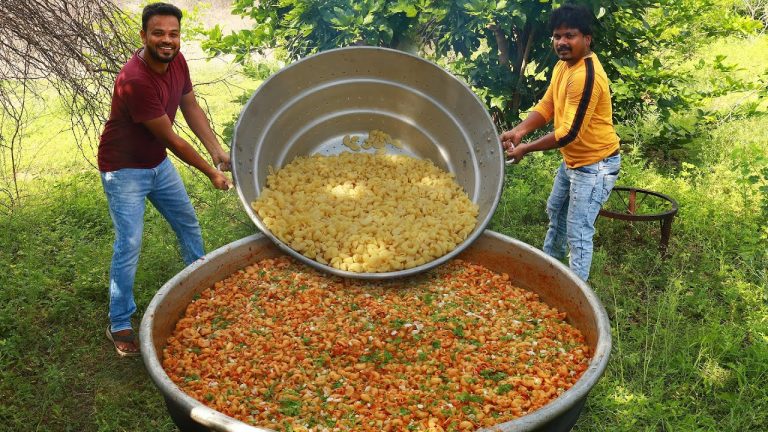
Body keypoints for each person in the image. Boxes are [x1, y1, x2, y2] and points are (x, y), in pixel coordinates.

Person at [98, 2, 232, 356]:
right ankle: (120, 322)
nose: (167, 40)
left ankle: (202, 289)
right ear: (143, 36)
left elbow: (190, 105)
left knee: (188, 224)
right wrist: (211, 173)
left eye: (173, 34)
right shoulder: (135, 80)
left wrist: (216, 149)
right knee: (129, 244)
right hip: (124, 169)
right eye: (158, 33)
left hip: (157, 166)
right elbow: (171, 139)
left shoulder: (177, 59)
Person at [500, 4, 620, 282]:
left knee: (578, 231)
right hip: (573, 161)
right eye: (557, 36)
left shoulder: (586, 76)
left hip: (595, 165)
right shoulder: (562, 67)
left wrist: (525, 148)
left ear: (587, 39)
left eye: (570, 36)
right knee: (556, 213)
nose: (562, 42)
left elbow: (567, 134)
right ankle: (548, 276)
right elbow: (548, 105)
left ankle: (575, 295)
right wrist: (519, 131)